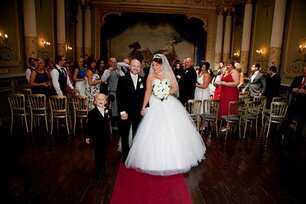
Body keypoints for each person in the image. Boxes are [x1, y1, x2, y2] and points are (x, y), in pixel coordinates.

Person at [125, 54, 206, 176]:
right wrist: (143, 106)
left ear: (162, 65)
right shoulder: (151, 76)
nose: (154, 67)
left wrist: (165, 92)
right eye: (153, 65)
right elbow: (148, 91)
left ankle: (176, 159)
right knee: (154, 129)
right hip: (155, 103)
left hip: (168, 102)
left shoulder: (168, 74)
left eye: (156, 65)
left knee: (171, 128)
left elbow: (175, 88)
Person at [116, 59, 146, 162]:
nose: (136, 68)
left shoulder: (143, 79)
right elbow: (119, 97)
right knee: (124, 134)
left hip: (138, 112)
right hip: (126, 112)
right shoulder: (122, 79)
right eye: (134, 66)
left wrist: (145, 107)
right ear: (129, 66)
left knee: (136, 133)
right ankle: (125, 156)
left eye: (138, 66)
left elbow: (145, 96)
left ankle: (135, 155)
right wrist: (122, 111)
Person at [85, 93, 112, 179]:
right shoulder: (92, 113)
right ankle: (99, 170)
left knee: (104, 153)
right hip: (96, 137)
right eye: (98, 99)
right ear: (95, 102)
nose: (100, 101)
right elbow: (89, 125)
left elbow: (108, 122)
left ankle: (102, 167)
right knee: (98, 154)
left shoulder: (108, 111)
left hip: (106, 137)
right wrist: (88, 136)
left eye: (102, 99)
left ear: (105, 102)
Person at [218, 59, 240, 123]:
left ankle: (229, 125)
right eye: (227, 65)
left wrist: (225, 84)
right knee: (224, 107)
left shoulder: (235, 72)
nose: (228, 66)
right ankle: (224, 122)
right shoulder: (227, 72)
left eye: (229, 65)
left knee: (229, 108)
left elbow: (236, 83)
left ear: (233, 66)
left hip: (231, 93)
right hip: (224, 92)